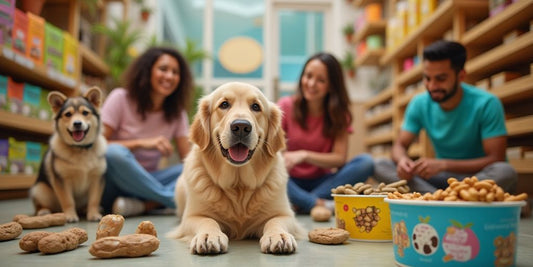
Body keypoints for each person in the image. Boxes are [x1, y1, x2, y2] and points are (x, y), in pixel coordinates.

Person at [373, 40, 517, 193]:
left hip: (477, 179)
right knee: (380, 165)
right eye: (427, 78)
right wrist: (403, 161)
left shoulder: (487, 103)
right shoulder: (419, 103)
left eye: (441, 79)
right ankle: (450, 199)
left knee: (505, 172)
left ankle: (434, 198)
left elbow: (496, 158)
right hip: (441, 179)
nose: (432, 86)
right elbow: (399, 146)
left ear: (461, 76)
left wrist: (443, 164)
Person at [100, 47, 194, 216]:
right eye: (163, 69)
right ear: (147, 70)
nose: (169, 76)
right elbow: (96, 145)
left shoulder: (177, 113)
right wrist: (141, 143)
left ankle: (143, 206)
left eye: (175, 72)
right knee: (113, 153)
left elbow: (189, 160)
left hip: (149, 182)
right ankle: (173, 201)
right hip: (113, 183)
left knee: (191, 168)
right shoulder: (120, 97)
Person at [277, 52, 374, 216]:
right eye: (308, 76)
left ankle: (301, 203)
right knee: (269, 173)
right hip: (289, 181)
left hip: (323, 183)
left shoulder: (340, 114)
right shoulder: (285, 106)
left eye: (321, 80)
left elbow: (339, 158)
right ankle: (316, 203)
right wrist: (285, 157)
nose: (311, 83)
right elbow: (275, 153)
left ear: (331, 85)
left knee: (366, 162)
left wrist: (304, 155)